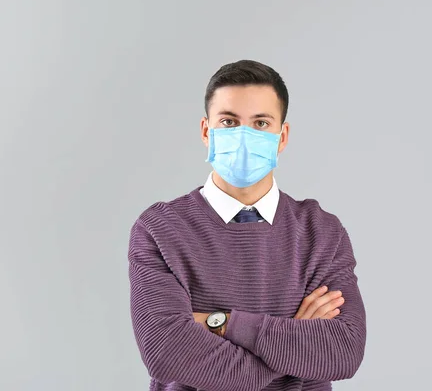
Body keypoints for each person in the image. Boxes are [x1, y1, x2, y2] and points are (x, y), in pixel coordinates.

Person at [127, 60, 367, 391]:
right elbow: (167, 353)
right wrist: (291, 344)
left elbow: (343, 351)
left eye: (260, 123)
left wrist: (220, 323)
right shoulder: (160, 230)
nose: (243, 136)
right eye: (228, 122)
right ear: (206, 132)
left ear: (282, 137)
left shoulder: (321, 232)